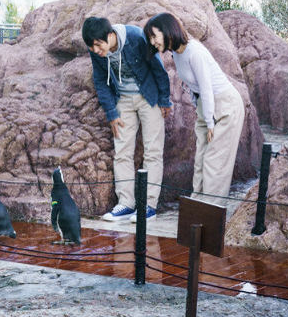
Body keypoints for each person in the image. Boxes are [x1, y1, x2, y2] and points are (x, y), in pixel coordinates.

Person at [144, 12, 245, 203]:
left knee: (215, 163)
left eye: (154, 36)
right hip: (205, 106)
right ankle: (197, 207)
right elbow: (194, 88)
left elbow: (206, 88)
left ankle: (211, 211)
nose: (152, 42)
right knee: (200, 160)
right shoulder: (177, 53)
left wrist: (210, 122)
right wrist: (203, 115)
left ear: (168, 31)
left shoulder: (194, 51)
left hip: (224, 106)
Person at [82, 17, 172, 222]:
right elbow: (100, 81)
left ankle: (149, 206)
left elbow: (158, 68)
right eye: (92, 46)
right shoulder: (96, 51)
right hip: (122, 100)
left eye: (98, 44)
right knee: (121, 151)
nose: (96, 50)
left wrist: (165, 100)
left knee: (153, 151)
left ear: (110, 35)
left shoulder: (135, 37)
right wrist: (111, 113)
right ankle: (126, 203)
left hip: (149, 97)